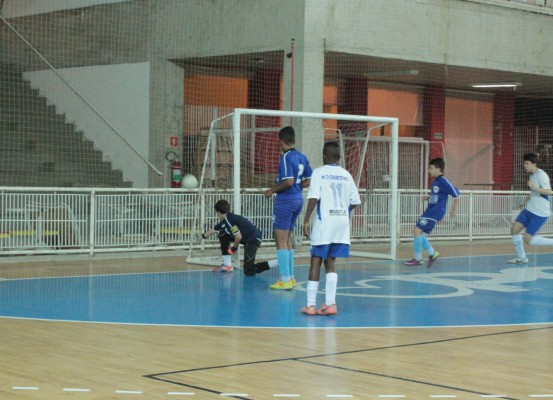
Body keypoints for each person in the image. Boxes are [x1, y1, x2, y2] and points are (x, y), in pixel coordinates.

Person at [301, 141, 361, 315]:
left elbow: (314, 198)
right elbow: (355, 201)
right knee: (331, 260)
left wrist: (306, 220)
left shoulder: (319, 173)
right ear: (339, 157)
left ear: (323, 156)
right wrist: (343, 212)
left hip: (325, 221)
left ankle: (310, 305)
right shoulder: (346, 174)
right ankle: (330, 304)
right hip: (341, 222)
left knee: (316, 259)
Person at [264, 126, 312, 290]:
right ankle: (290, 278)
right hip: (298, 199)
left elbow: (289, 181)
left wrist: (272, 190)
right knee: (287, 240)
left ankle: (285, 280)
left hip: (286, 201)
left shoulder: (286, 157)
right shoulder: (302, 157)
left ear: (281, 141)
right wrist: (298, 187)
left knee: (280, 240)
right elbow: (309, 180)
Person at [404, 157, 460, 267]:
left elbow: (456, 194)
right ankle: (432, 253)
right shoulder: (436, 181)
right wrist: (429, 197)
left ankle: (418, 258)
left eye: (431, 168)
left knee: (417, 230)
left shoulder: (444, 181)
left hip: (436, 211)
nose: (429, 170)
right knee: (417, 231)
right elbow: (439, 194)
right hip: (431, 209)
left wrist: (454, 209)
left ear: (438, 169)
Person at [508, 153, 553, 264]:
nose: (525, 166)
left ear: (534, 164)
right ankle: (522, 257)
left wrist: (535, 187)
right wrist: (524, 201)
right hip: (529, 210)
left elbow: (549, 192)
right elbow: (533, 191)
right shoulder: (532, 175)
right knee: (514, 229)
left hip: (540, 213)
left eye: (527, 163)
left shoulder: (542, 175)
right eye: (524, 163)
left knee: (528, 240)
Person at [201, 199, 262, 275]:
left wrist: (234, 248)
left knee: (248, 270)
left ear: (218, 212)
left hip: (253, 239)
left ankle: (272, 263)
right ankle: (227, 265)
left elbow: (238, 236)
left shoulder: (229, 221)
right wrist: (203, 236)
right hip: (245, 238)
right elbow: (214, 230)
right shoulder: (224, 222)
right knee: (222, 233)